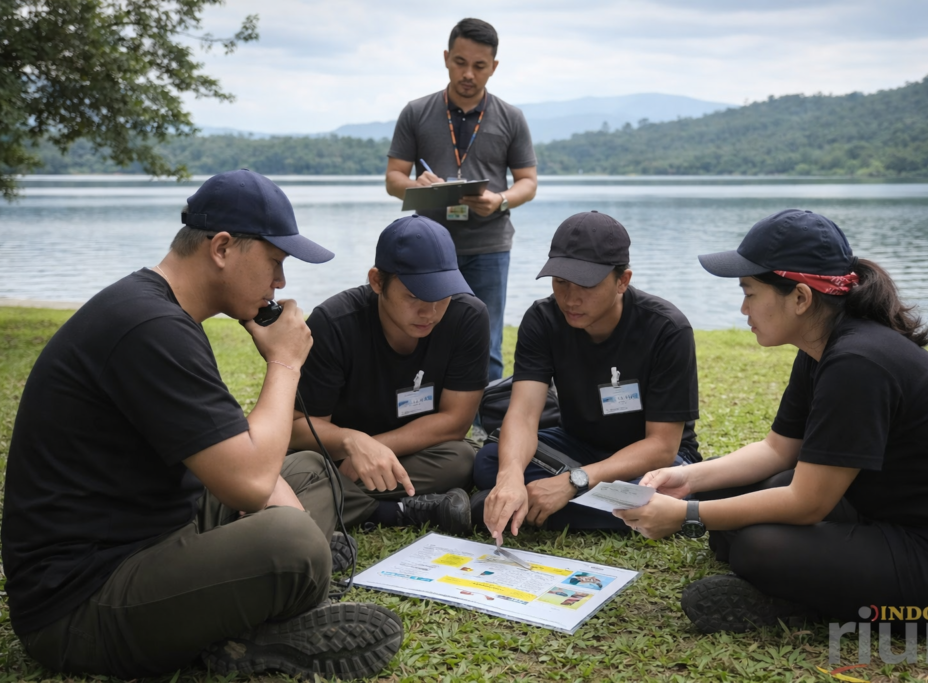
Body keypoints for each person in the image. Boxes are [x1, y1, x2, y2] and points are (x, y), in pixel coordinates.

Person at [0, 170, 402, 679]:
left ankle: (248, 621)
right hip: (78, 607)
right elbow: (252, 481)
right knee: (292, 543)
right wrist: (284, 363)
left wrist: (294, 530)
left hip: (151, 537)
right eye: (275, 263)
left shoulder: (161, 315)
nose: (280, 283)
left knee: (305, 472)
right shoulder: (150, 329)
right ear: (222, 248)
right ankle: (238, 643)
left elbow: (240, 453)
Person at [615, 209, 928, 633]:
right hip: (896, 519)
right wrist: (688, 481)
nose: (742, 308)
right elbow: (778, 449)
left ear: (801, 298)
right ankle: (810, 591)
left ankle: (804, 606)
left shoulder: (858, 362)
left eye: (750, 293)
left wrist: (687, 515)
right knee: (740, 500)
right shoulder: (823, 348)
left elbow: (809, 502)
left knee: (758, 546)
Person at [475, 211, 701, 540]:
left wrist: (573, 482)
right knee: (489, 461)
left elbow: (661, 447)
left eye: (587, 284)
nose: (570, 298)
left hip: (650, 462)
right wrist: (510, 476)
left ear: (622, 280)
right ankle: (542, 503)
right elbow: (523, 414)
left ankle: (524, 509)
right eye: (561, 282)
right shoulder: (543, 320)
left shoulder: (666, 329)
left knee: (665, 493)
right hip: (577, 445)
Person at [290, 215, 489, 535]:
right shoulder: (334, 323)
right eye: (415, 296)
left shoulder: (467, 317)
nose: (430, 312)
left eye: (442, 295)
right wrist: (352, 442)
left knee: (462, 459)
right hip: (335, 456)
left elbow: (456, 421)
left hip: (413, 452)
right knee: (302, 470)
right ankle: (392, 511)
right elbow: (298, 429)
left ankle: (326, 503)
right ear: (377, 281)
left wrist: (378, 447)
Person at [385, 17, 538, 382]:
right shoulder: (416, 112)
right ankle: (426, 415)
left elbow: (528, 183)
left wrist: (500, 200)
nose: (468, 73)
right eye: (460, 62)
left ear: (493, 67)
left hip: (489, 244)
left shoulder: (511, 117)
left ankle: (486, 426)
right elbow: (393, 179)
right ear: (446, 58)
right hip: (426, 245)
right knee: (421, 331)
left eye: (479, 66)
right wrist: (416, 187)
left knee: (487, 339)